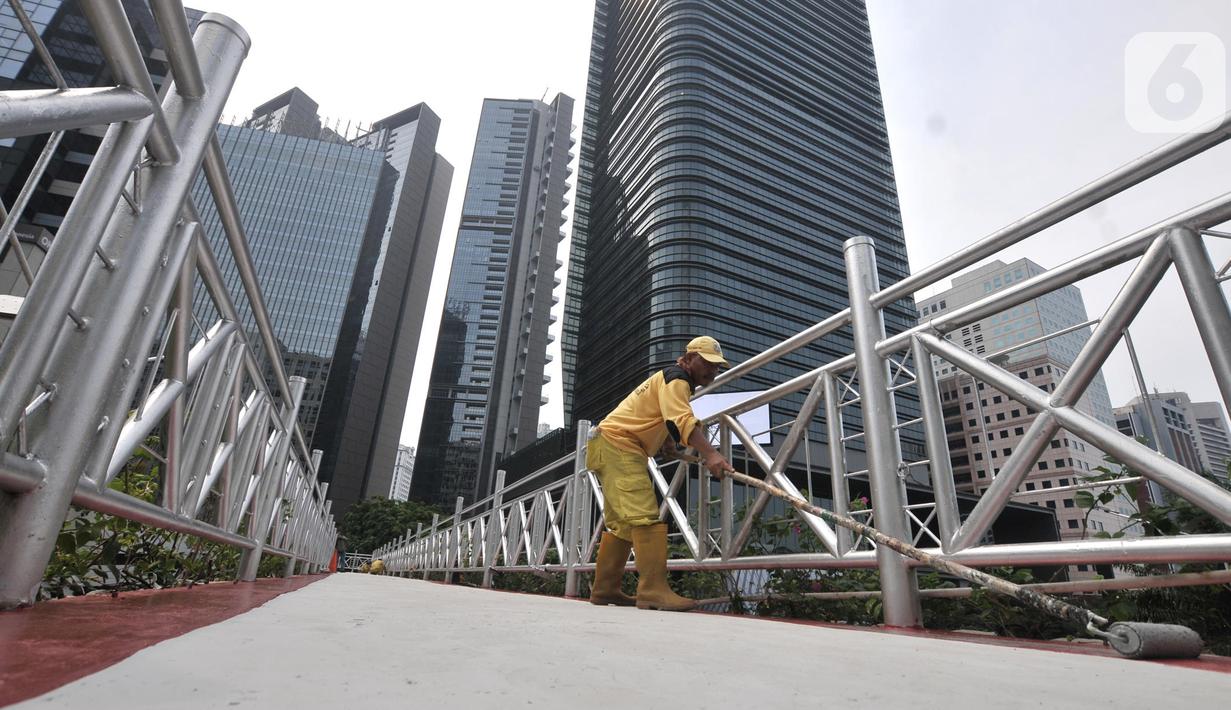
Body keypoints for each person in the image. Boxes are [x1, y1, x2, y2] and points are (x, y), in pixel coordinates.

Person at [587, 336, 736, 611]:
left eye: (717, 366)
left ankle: (605, 589)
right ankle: (653, 591)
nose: (712, 370)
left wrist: (667, 442)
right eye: (707, 363)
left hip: (608, 444)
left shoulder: (670, 378)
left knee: (623, 525)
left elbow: (663, 416)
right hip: (620, 445)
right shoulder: (678, 379)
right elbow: (681, 420)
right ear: (688, 358)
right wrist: (711, 454)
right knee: (645, 517)